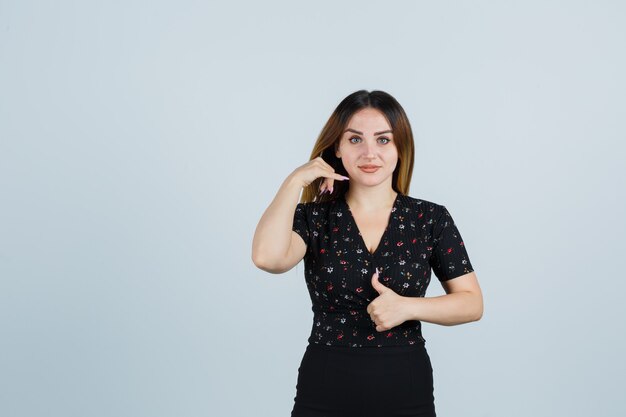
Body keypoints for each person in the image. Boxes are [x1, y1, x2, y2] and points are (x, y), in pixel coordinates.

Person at [252, 89, 483, 417]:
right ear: (337, 147)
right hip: (325, 386)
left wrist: (406, 308)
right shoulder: (314, 218)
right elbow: (268, 258)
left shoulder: (430, 218)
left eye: (383, 140)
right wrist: (294, 182)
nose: (370, 153)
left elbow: (472, 303)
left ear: (400, 147)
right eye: (356, 140)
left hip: (406, 385)